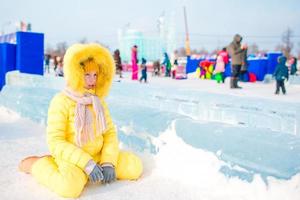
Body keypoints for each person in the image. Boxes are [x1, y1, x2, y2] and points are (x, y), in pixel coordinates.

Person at [18, 43, 143, 198]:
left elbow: (109, 133)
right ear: (75, 74)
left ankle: (99, 166)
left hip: (98, 156)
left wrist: (108, 162)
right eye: (86, 75)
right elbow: (56, 141)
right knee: (69, 188)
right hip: (73, 159)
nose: (92, 80)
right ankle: (38, 164)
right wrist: (86, 163)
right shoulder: (61, 101)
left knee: (134, 167)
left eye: (95, 75)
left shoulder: (98, 101)